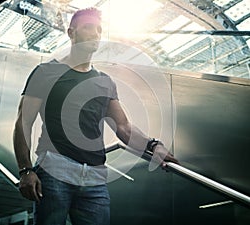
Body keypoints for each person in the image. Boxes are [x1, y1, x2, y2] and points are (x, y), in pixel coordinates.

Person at [13, 7, 178, 225]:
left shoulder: (105, 81)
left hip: (95, 179)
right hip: (54, 170)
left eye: (99, 29)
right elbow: (23, 123)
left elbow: (124, 127)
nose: (95, 33)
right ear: (71, 32)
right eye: (88, 27)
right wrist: (25, 169)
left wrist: (153, 145)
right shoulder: (46, 72)